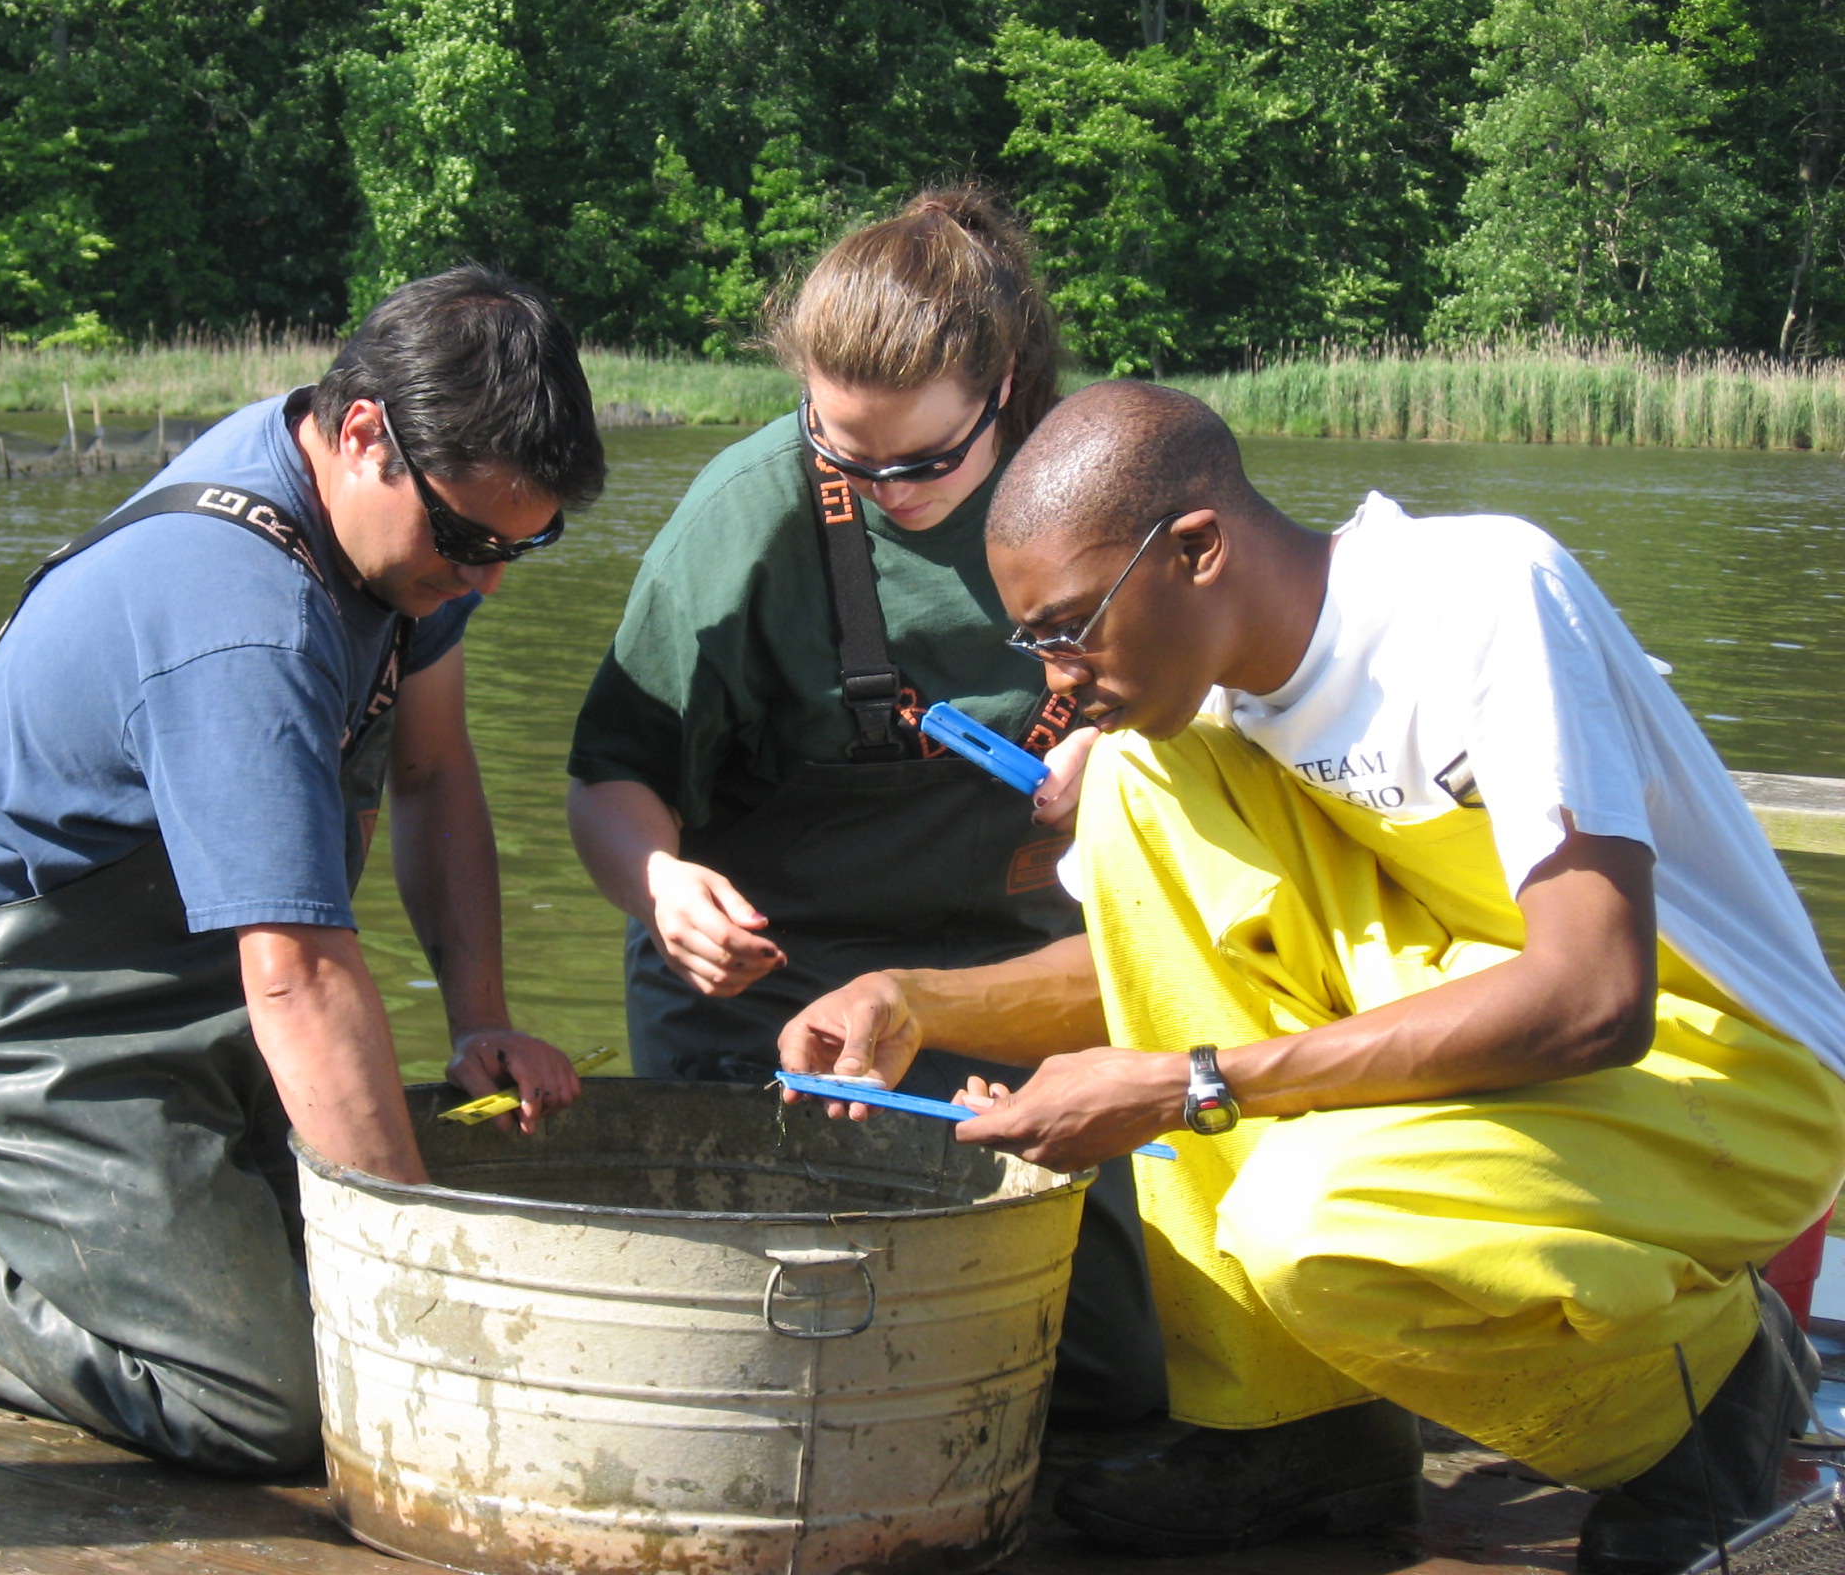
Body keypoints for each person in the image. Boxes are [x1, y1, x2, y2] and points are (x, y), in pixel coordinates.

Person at [778, 379, 1845, 1572]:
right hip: (1491, 1027)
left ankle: (1705, 1405)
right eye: (1034, 642)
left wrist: (1186, 1087)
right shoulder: (1214, 709)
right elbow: (1151, 965)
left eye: (1071, 628)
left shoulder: (1480, 598)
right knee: (1129, 783)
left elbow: (1594, 995)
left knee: (1308, 1230)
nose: (1054, 680)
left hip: (1725, 1075)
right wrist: (916, 1001)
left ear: (1193, 550)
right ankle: (1292, 1432)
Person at [0, 267, 607, 1477]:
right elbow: (299, 979)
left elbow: (430, 773)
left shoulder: (389, 526)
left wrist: (480, 1018)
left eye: (525, 546)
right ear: (363, 430)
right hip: (6, 995)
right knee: (278, 1406)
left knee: (343, 1307)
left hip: (189, 971)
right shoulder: (242, 619)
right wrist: (417, 1288)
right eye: (470, 542)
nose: (486, 581)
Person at [565, 188, 1164, 1425]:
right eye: (841, 450)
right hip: (772, 996)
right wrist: (660, 885)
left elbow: (1245, 706)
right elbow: (609, 777)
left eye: (922, 462)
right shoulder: (745, 518)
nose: (882, 488)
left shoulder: (1106, 482)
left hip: (1026, 989)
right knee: (779, 1366)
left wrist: (1134, 746)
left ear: (1002, 385)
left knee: (1125, 1376)